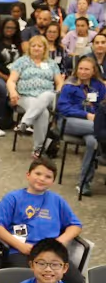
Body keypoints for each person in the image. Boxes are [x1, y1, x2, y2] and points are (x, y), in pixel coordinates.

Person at [0, 158, 86, 283]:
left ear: (52, 181)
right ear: (28, 175)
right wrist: (20, 246)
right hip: (22, 251)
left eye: (48, 177)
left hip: (51, 252)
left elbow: (75, 226)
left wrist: (59, 242)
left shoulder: (57, 201)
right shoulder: (13, 198)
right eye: (38, 174)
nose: (42, 179)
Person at [12, 36, 67, 156]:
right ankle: (38, 148)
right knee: (43, 113)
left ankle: (25, 122)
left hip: (48, 97)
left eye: (40, 46)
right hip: (25, 96)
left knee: (47, 94)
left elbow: (59, 83)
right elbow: (11, 81)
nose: (36, 48)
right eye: (33, 46)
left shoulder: (51, 64)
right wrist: (12, 92)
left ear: (45, 48)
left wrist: (58, 92)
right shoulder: (22, 61)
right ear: (29, 48)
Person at [60, 56, 105, 194]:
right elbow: (63, 108)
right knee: (100, 129)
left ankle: (83, 183)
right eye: (80, 68)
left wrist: (97, 116)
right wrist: (86, 115)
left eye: (87, 69)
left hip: (92, 125)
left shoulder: (99, 86)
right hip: (69, 122)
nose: (83, 72)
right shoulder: (69, 85)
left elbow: (103, 106)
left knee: (93, 142)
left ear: (93, 71)